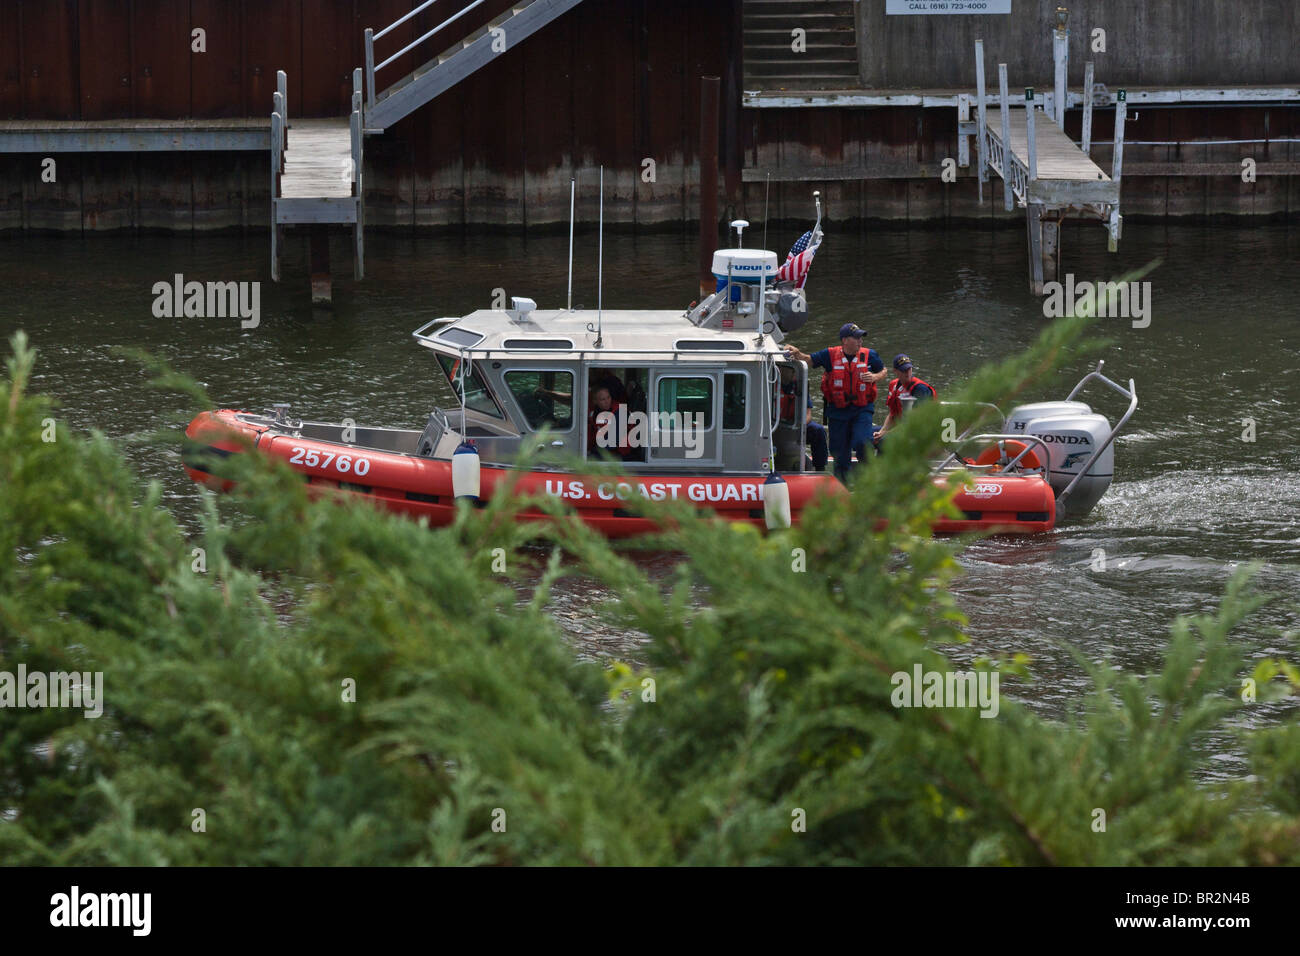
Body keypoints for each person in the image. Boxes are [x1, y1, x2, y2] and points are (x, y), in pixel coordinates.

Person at [784, 323, 885, 483]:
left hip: (862, 409)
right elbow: (808, 360)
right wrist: (797, 353)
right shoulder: (829, 355)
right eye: (856, 338)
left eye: (861, 338)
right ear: (845, 340)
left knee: (862, 442)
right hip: (838, 411)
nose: (860, 341)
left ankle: (867, 473)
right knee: (840, 453)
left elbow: (883, 370)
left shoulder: (870, 355)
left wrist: (875, 377)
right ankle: (842, 486)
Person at [875, 353, 936, 446]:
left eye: (909, 369)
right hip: (902, 427)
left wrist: (887, 433)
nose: (907, 373)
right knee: (867, 434)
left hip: (918, 430)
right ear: (895, 371)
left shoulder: (919, 389)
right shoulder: (893, 385)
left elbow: (914, 421)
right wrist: (882, 431)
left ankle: (887, 459)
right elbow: (892, 413)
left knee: (884, 441)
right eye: (903, 370)